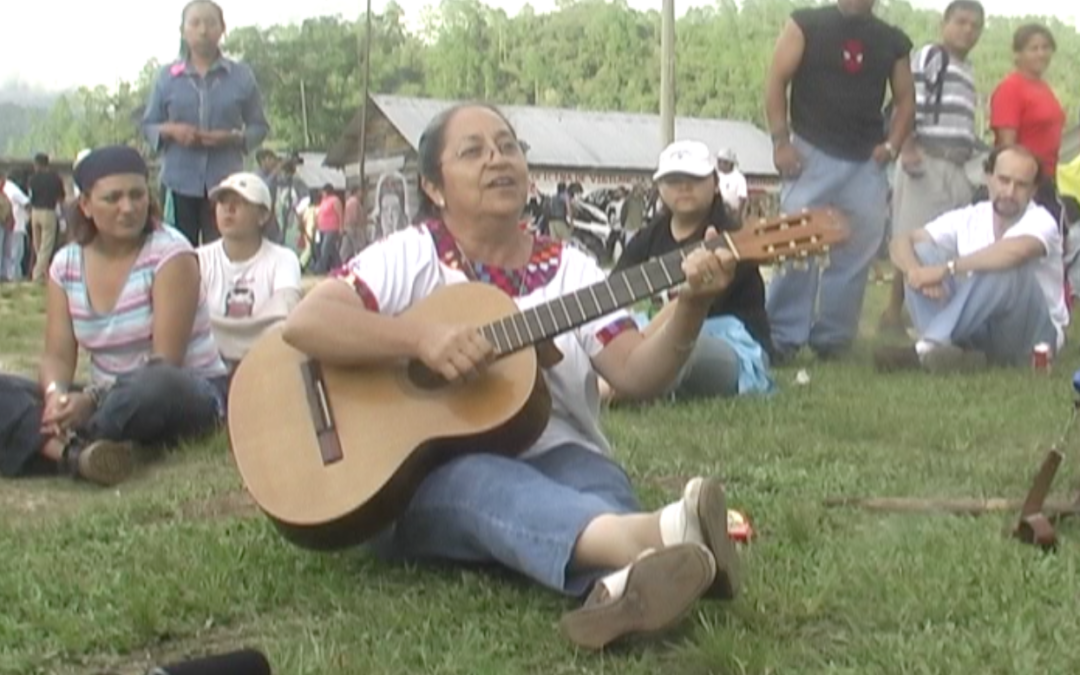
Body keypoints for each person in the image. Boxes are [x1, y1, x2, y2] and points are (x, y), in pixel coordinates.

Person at [282, 103, 742, 650]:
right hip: (419, 476)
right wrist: (419, 340)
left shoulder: (572, 268)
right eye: (472, 151)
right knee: (483, 480)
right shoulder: (410, 254)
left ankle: (621, 585)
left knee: (599, 486)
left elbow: (636, 374)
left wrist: (691, 305)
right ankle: (661, 535)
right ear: (433, 186)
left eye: (507, 147)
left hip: (565, 456)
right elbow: (308, 323)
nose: (497, 160)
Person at [0, 146, 228, 486]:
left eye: (137, 195)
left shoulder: (171, 254)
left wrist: (91, 402)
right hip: (107, 398)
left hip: (181, 391)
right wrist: (55, 397)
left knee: (155, 386)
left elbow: (165, 361)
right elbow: (57, 356)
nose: (128, 207)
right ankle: (75, 455)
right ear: (86, 205)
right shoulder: (65, 264)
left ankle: (55, 442)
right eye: (113, 198)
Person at [764, 0, 915, 361]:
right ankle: (782, 336)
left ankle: (833, 339)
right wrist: (781, 141)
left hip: (866, 159)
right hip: (809, 150)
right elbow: (776, 79)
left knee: (857, 250)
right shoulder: (806, 23)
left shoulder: (893, 40)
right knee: (795, 243)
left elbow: (906, 99)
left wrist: (892, 145)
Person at [603, 140, 773, 402]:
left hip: (729, 344)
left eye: (694, 178)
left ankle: (602, 393)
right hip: (655, 335)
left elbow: (687, 308)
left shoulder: (731, 240)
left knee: (678, 348)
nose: (683, 187)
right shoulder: (651, 235)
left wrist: (638, 346)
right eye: (673, 180)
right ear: (660, 188)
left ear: (715, 183)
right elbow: (615, 290)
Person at [874, 145, 1065, 372]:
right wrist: (915, 272)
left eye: (1021, 185)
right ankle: (953, 352)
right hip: (980, 328)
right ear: (988, 178)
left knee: (1005, 268)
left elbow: (1015, 252)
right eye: (1004, 180)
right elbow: (901, 241)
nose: (1010, 192)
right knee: (920, 251)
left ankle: (926, 349)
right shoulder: (969, 216)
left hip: (1031, 336)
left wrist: (946, 269)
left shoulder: (1042, 220)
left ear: (1033, 191)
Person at [879, 1, 986, 334]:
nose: (968, 30)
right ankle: (892, 313)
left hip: (958, 165)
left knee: (944, 239)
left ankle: (930, 309)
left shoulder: (968, 70)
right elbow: (908, 100)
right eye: (961, 22)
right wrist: (908, 145)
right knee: (911, 236)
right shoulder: (931, 56)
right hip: (925, 158)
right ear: (945, 24)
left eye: (975, 26)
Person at [141, 0, 270, 246]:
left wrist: (233, 138)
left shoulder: (241, 76)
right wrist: (172, 131)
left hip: (226, 185)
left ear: (222, 29)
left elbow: (259, 127)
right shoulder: (166, 77)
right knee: (177, 250)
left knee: (225, 251)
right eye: (195, 23)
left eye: (211, 23)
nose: (203, 30)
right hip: (178, 182)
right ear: (183, 30)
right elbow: (148, 125)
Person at [198, 172, 302, 371]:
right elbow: (187, 321)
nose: (228, 209)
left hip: (265, 365)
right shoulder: (199, 258)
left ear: (263, 216)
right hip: (208, 366)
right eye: (222, 201)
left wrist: (214, 330)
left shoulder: (283, 259)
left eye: (240, 202)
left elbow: (285, 318)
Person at [990, 24, 1067, 230]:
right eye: (1034, 48)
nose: (1041, 53)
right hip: (1023, 182)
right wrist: (1017, 185)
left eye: (1046, 47)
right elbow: (1006, 144)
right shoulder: (1011, 88)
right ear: (1018, 54)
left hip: (1046, 178)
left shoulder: (1044, 89)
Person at [27, 153, 66, 283]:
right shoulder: (55, 178)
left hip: (35, 212)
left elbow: (30, 196)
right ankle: (38, 274)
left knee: (38, 245)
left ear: (36, 164)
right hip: (49, 211)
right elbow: (61, 197)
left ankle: (42, 272)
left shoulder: (32, 179)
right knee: (46, 245)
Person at [313, 184, 343, 274]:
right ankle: (339, 266)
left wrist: (341, 227)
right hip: (322, 229)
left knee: (325, 248)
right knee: (332, 250)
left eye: (323, 191)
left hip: (332, 228)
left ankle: (320, 269)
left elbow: (340, 214)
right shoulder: (323, 201)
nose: (322, 193)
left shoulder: (335, 200)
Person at [715, 148, 748, 222]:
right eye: (718, 161)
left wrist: (737, 216)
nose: (718, 164)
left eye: (720, 162)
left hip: (732, 213)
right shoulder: (716, 176)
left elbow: (742, 198)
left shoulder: (739, 178)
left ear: (728, 163)